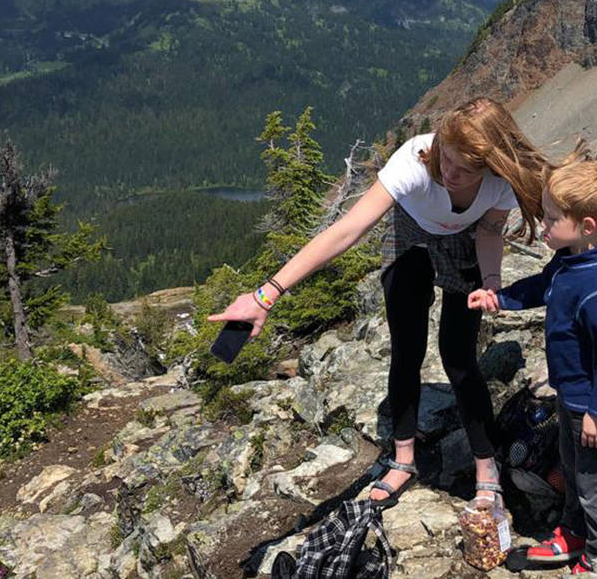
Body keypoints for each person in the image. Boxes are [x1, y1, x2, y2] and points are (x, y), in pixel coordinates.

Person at [209, 97, 551, 506]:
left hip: (466, 238)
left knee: (458, 357)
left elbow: (491, 231)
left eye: (464, 170)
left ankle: (485, 464)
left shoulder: (500, 180)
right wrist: (265, 296)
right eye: (447, 158)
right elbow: (347, 230)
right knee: (407, 347)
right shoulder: (415, 161)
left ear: (491, 164)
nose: (449, 173)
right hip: (408, 230)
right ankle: (403, 459)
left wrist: (492, 281)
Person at [468, 156, 597, 574]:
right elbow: (542, 286)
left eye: (553, 219)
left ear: (587, 226)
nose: (543, 226)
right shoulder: (570, 262)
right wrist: (499, 299)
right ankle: (573, 532)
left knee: (594, 485)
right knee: (573, 470)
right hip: (571, 395)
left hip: (594, 403)